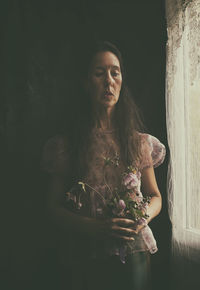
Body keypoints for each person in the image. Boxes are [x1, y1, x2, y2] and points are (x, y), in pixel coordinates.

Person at [41, 40, 166, 290]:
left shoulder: (138, 142)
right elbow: (52, 208)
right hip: (84, 255)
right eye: (99, 73)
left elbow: (155, 197)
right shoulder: (66, 146)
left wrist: (140, 217)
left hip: (133, 252)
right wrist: (97, 228)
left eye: (115, 72)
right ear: (86, 83)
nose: (109, 81)